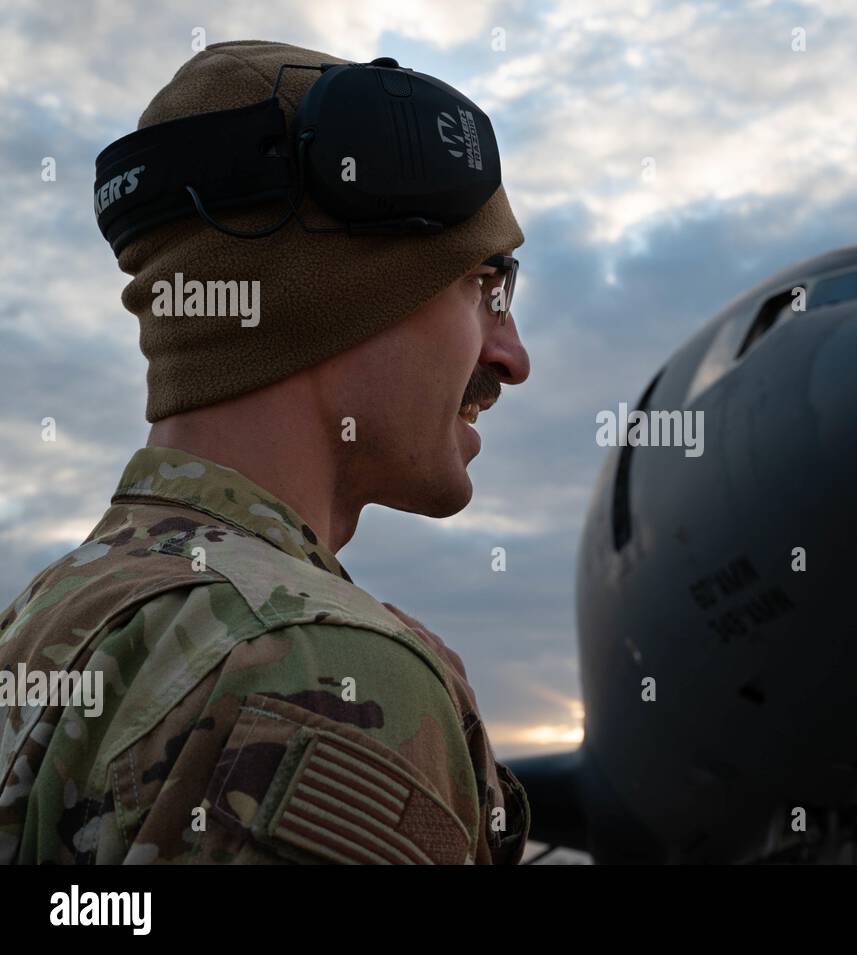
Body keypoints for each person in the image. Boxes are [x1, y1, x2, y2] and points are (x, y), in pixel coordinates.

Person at [0, 40, 531, 864]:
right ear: (339, 304)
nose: (512, 357)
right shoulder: (323, 671)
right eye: (487, 286)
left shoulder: (50, 620)